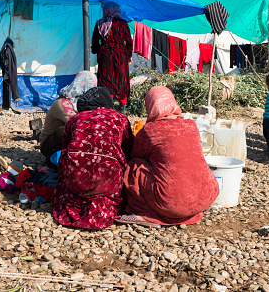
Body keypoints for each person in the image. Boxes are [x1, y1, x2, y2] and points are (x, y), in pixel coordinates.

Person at [118, 86, 219, 228]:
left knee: (133, 167)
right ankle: (188, 211)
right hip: (207, 196)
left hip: (171, 202)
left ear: (151, 106)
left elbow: (135, 155)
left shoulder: (150, 130)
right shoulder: (191, 125)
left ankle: (145, 214)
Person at [52, 87, 134, 229]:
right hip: (107, 179)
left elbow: (65, 146)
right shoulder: (120, 118)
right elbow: (128, 149)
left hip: (75, 180)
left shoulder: (75, 119)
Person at [39, 71, 97, 159]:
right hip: (49, 146)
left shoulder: (82, 103)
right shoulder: (62, 103)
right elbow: (77, 123)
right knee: (66, 129)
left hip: (67, 143)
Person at [91, 2, 133, 114]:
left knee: (106, 80)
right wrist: (128, 55)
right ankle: (122, 106)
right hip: (120, 56)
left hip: (105, 56)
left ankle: (107, 106)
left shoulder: (100, 23)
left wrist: (97, 50)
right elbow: (129, 41)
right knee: (121, 80)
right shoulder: (123, 23)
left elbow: (94, 41)